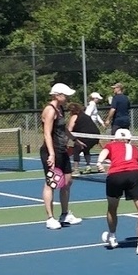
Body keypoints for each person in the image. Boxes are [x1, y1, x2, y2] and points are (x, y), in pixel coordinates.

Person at [98, 128, 138, 255]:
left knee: (112, 208)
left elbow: (104, 152)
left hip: (114, 176)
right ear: (129, 139)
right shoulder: (135, 149)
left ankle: (112, 236)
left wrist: (99, 162)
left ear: (115, 139)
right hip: (134, 175)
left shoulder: (111, 145)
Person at [41, 82, 83, 230]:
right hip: (51, 151)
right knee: (51, 184)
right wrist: (51, 154)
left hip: (62, 150)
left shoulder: (60, 110)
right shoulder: (50, 110)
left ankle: (65, 214)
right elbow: (47, 133)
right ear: (57, 95)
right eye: (65, 95)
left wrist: (74, 140)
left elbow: (63, 128)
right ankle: (50, 218)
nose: (66, 98)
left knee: (67, 181)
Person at [67, 101, 101, 169]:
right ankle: (88, 166)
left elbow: (69, 130)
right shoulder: (86, 116)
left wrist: (65, 142)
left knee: (76, 149)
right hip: (96, 137)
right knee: (86, 149)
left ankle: (75, 168)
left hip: (87, 137)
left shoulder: (74, 116)